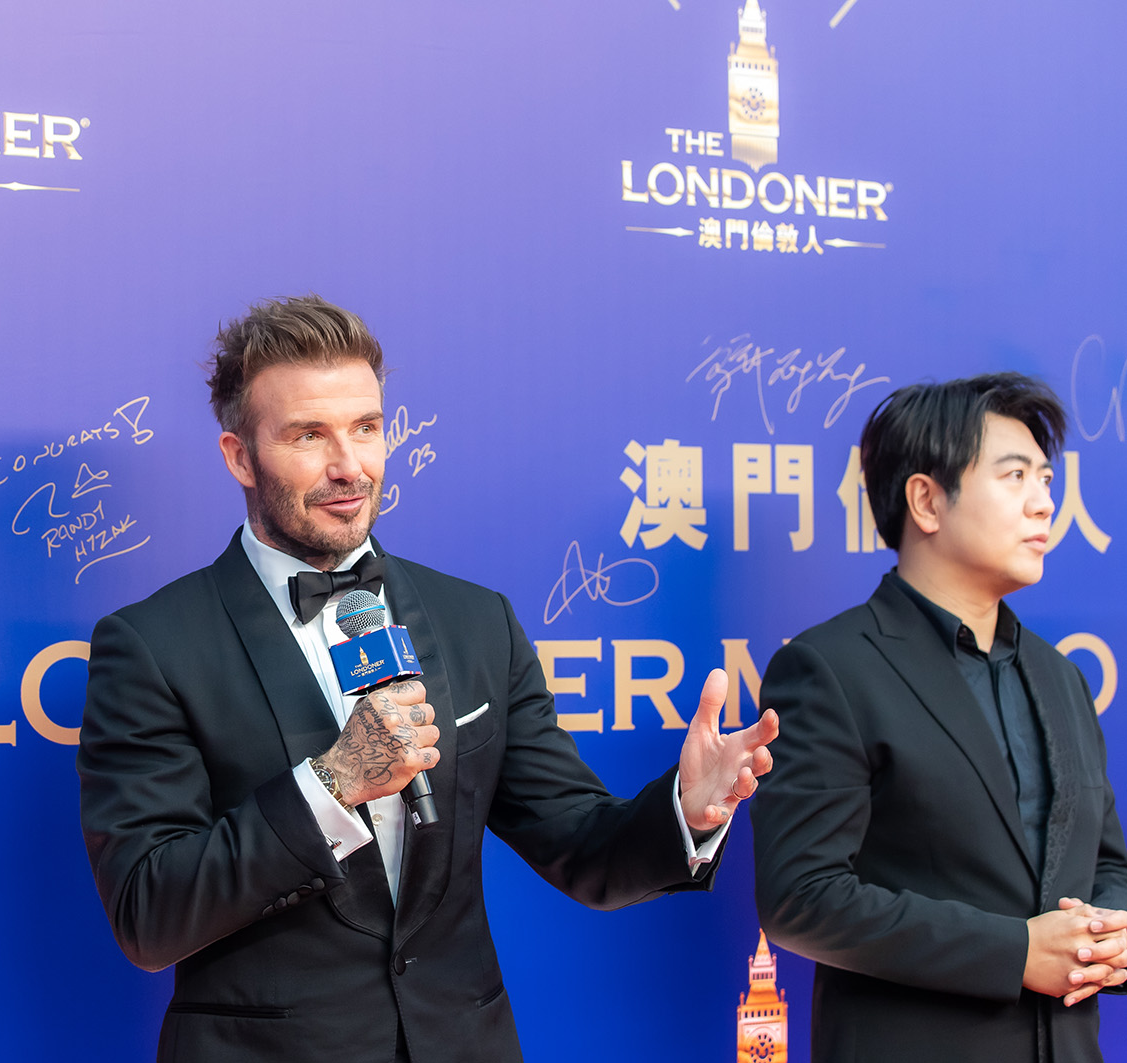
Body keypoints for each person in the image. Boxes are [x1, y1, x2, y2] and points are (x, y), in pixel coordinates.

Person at [77, 295, 779, 1063]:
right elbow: (148, 913)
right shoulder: (153, 644)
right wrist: (333, 781)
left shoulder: (476, 620)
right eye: (308, 435)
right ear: (239, 455)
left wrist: (686, 809)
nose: (350, 466)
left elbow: (579, 844)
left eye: (367, 428)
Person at [751, 373, 1127, 1062]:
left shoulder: (1061, 676)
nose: (1044, 503)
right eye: (1014, 476)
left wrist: (1110, 930)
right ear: (925, 499)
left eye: (1046, 479)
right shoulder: (830, 668)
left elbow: (1104, 862)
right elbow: (800, 897)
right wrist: (1014, 952)